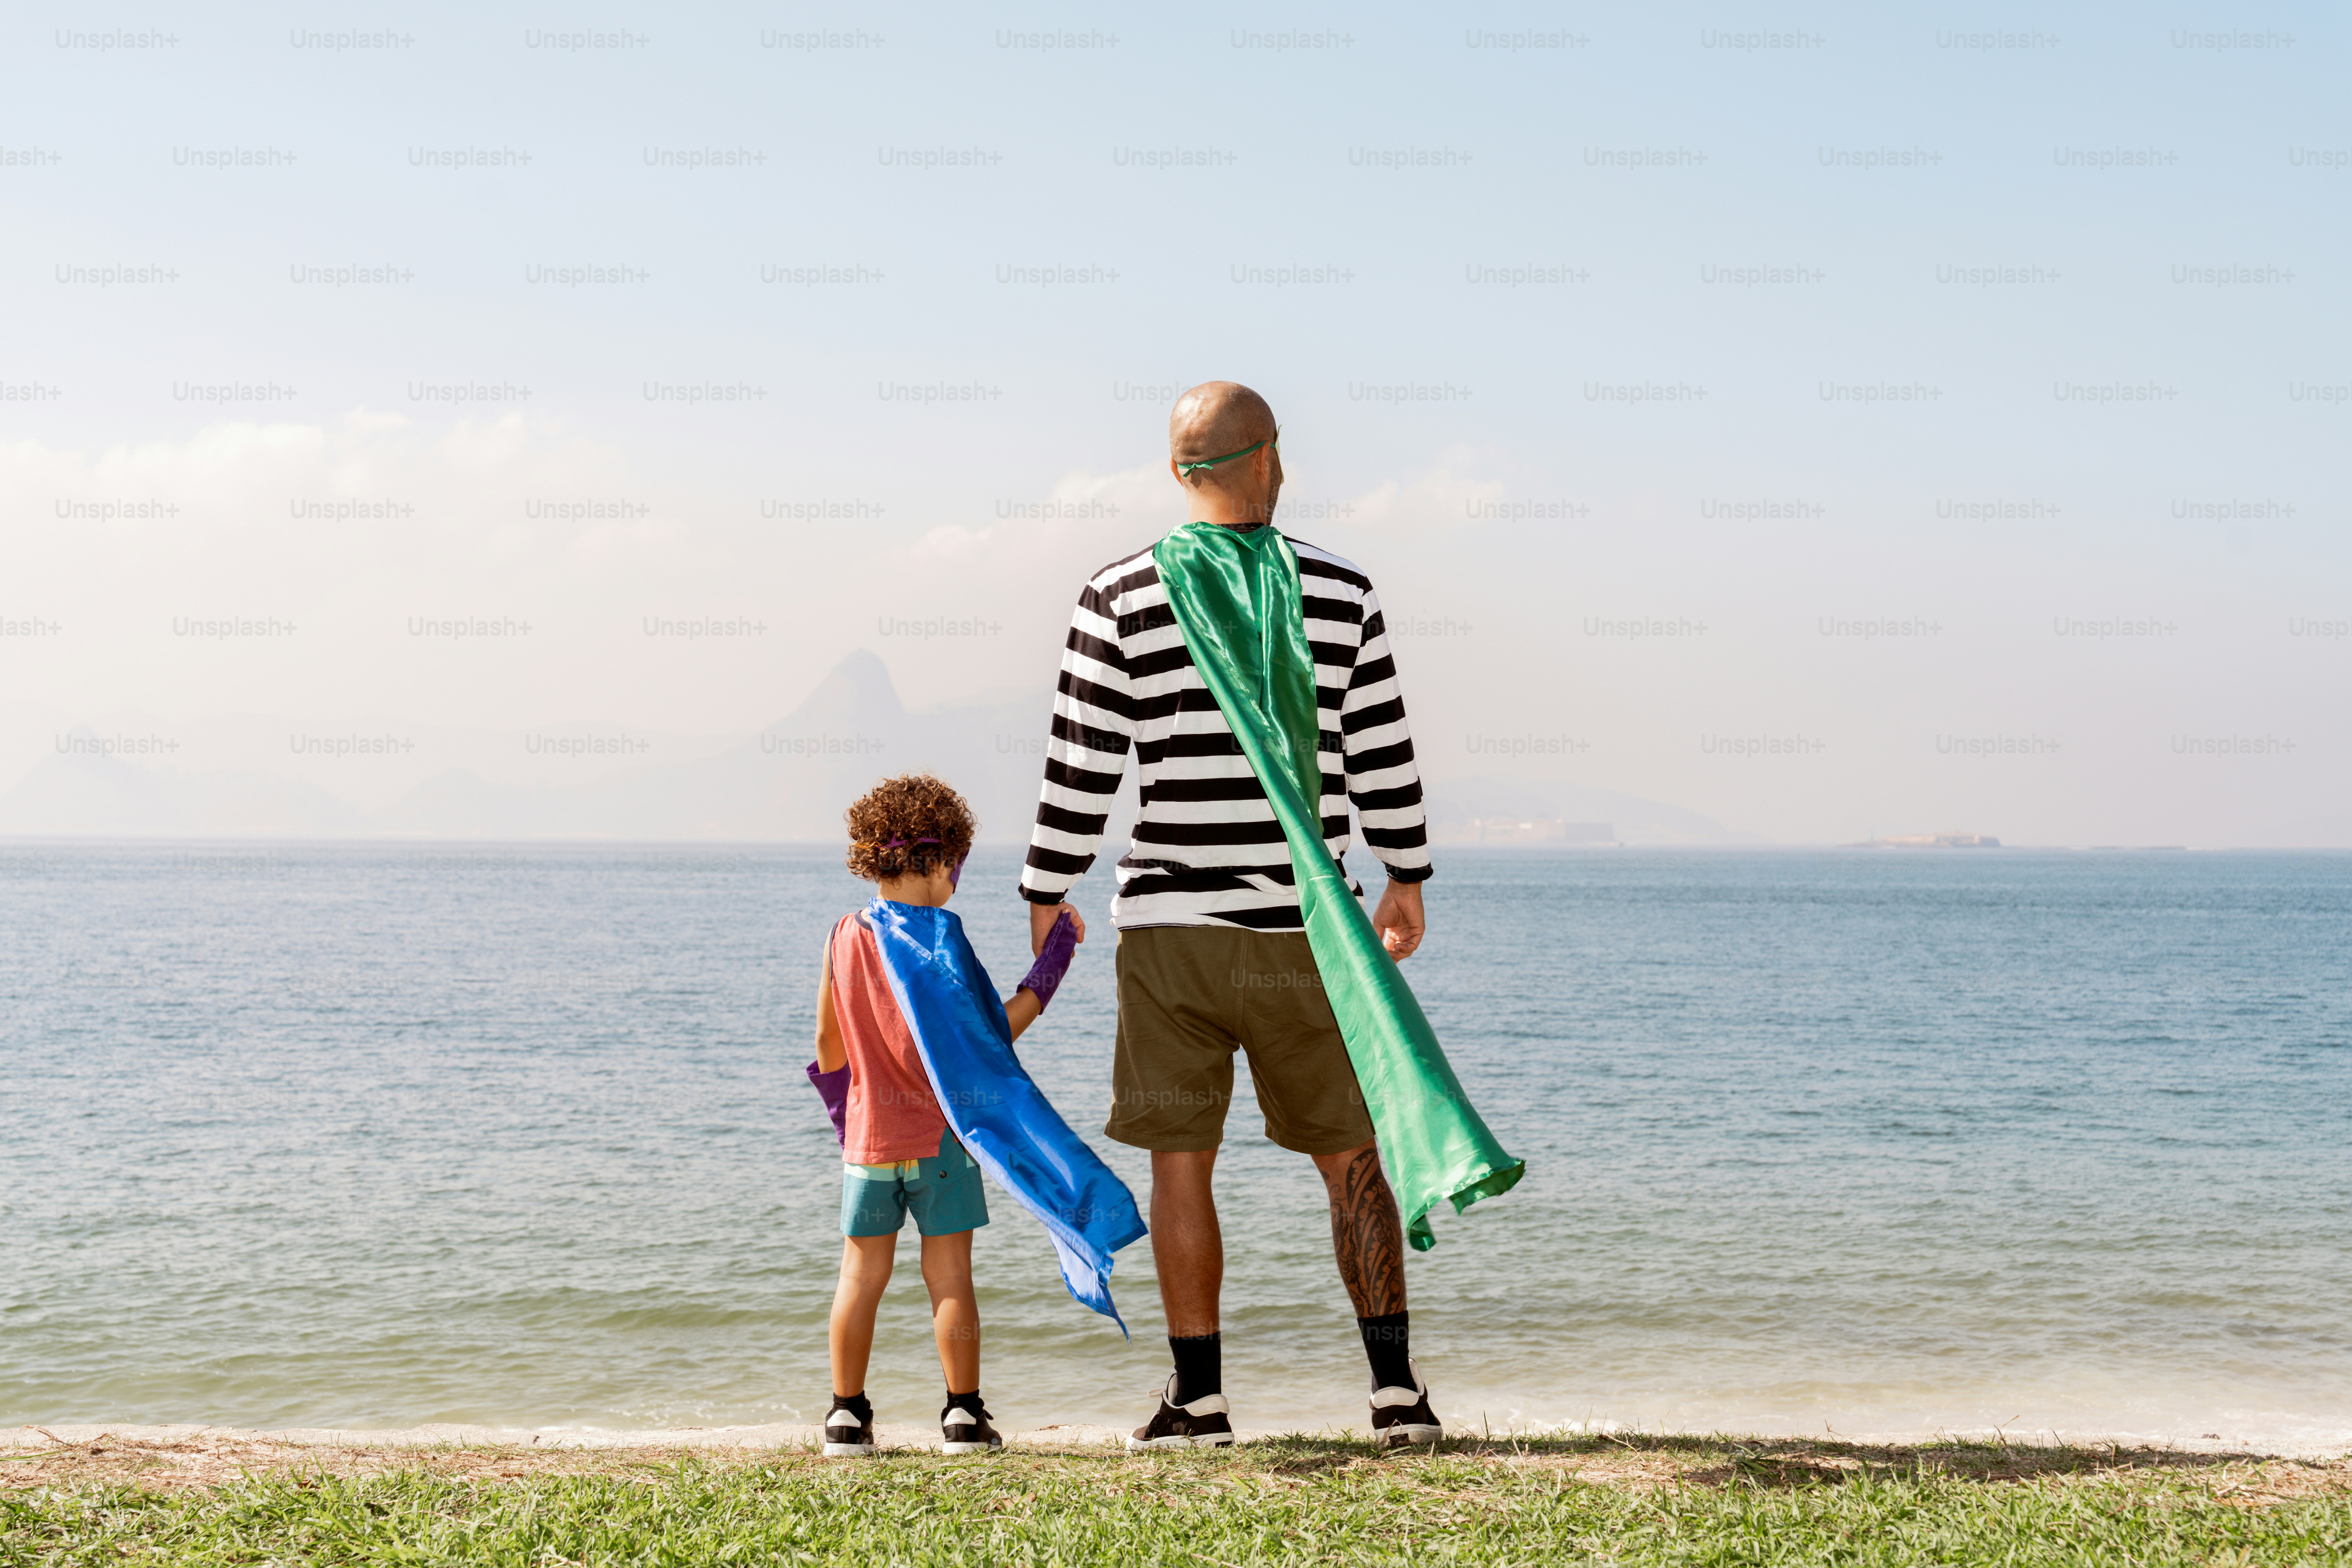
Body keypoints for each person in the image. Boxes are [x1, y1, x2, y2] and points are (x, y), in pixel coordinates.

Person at [1017, 381, 1490, 1451]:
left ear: (1176, 473)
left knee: (1181, 1160)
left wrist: (1048, 888)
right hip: (1302, 930)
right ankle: (1395, 1394)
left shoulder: (1117, 592)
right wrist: (1406, 874)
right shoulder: (1340, 590)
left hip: (1170, 933)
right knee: (1350, 1154)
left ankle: (1198, 1402)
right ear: (1268, 456)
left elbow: (1081, 762)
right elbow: (1383, 750)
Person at [807, 771, 1087, 1458]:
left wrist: (850, 1117)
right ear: (937, 863)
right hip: (941, 1141)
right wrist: (1055, 961)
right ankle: (963, 1416)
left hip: (868, 1143)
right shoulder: (942, 939)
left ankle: (845, 1418)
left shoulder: (843, 934)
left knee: (859, 1278)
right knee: (950, 1276)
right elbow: (996, 1034)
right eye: (958, 866)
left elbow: (827, 1045)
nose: (957, 882)